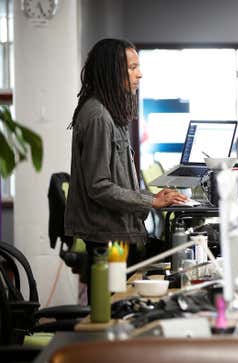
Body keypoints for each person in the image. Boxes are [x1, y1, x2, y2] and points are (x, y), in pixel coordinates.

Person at [65, 39, 187, 296]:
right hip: (107, 238)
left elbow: (119, 183)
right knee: (113, 308)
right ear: (112, 71)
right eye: (132, 67)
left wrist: (152, 197)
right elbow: (99, 186)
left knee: (125, 300)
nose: (139, 73)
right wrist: (149, 203)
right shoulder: (98, 116)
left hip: (119, 232)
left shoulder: (111, 112)